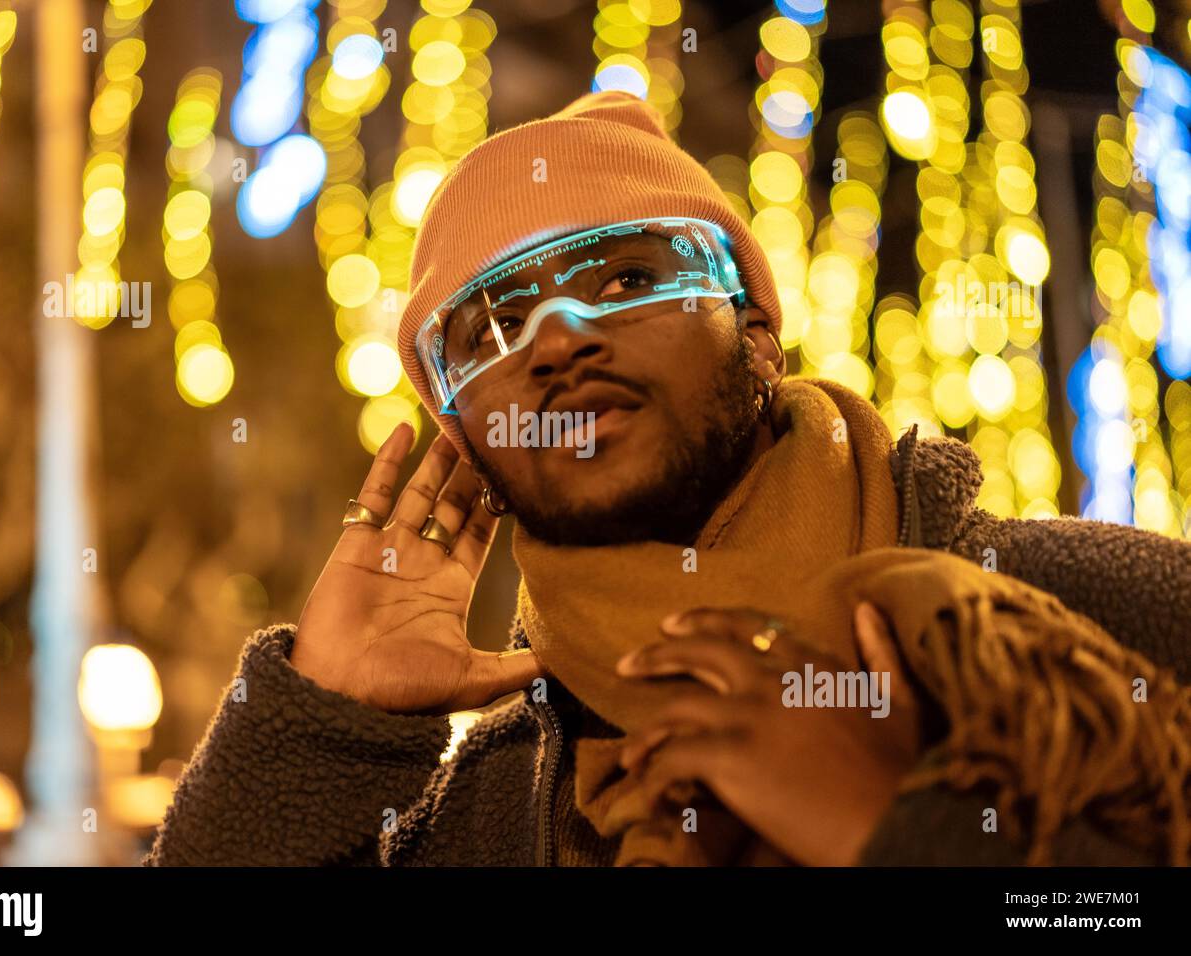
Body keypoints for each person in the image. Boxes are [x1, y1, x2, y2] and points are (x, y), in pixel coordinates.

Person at [145, 92, 1191, 867]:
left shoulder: (1106, 610)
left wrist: (895, 832)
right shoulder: (496, 805)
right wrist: (327, 724)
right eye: (494, 326)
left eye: (627, 278)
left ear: (758, 336)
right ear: (464, 435)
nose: (556, 338)